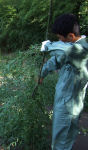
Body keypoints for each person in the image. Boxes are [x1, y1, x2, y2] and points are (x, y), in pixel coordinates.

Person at [39, 13, 88, 150]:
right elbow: (56, 60)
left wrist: (49, 46)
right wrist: (42, 74)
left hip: (68, 104)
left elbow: (62, 52)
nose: (60, 41)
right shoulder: (71, 48)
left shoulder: (81, 50)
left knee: (61, 137)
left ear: (71, 36)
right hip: (69, 100)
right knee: (67, 136)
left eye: (61, 38)